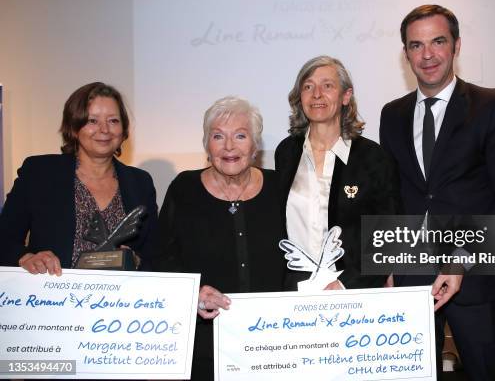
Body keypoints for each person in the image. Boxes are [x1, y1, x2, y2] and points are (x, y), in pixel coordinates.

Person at [380, 5, 495, 380]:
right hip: (409, 279)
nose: (427, 54)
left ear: (456, 45)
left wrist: (461, 258)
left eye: (438, 41)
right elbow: (392, 196)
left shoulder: (493, 105)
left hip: (474, 276)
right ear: (406, 54)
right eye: (416, 45)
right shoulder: (391, 114)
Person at [152, 96, 286, 379]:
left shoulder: (280, 187)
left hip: (274, 343)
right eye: (217, 136)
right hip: (203, 343)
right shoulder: (184, 189)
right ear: (206, 145)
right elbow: (161, 257)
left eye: (240, 135)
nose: (229, 147)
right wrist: (193, 293)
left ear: (254, 146)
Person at [0, 82, 157, 273]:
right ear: (74, 128)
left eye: (113, 120)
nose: (104, 129)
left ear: (124, 130)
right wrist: (26, 258)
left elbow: (155, 253)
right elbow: (4, 238)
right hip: (52, 297)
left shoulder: (140, 182)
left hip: (121, 299)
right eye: (92, 121)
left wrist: (136, 260)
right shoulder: (39, 173)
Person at [275, 55, 399, 290]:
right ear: (300, 98)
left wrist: (345, 284)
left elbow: (387, 234)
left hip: (352, 290)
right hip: (295, 290)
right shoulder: (286, 152)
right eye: (308, 86)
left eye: (327, 86)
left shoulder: (372, 157)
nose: (317, 94)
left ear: (346, 96)